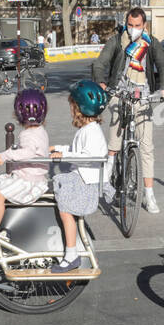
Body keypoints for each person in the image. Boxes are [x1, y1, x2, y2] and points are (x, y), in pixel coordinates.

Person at [92, 7, 164, 214]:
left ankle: (149, 194)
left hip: (143, 95)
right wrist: (101, 82)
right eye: (130, 25)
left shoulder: (151, 42)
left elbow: (162, 66)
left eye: (137, 26)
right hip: (119, 92)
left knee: (147, 147)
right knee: (116, 130)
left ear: (144, 25)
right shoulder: (117, 41)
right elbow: (100, 63)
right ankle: (108, 172)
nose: (133, 29)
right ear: (126, 23)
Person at [0, 89, 51, 244]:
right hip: (33, 178)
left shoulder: (28, 134)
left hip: (29, 181)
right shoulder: (40, 130)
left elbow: (28, 151)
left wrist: (5, 156)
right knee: (1, 184)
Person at [49, 80, 109, 273]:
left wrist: (63, 155)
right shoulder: (89, 130)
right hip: (83, 178)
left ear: (78, 108)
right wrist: (58, 148)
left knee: (65, 210)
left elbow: (88, 156)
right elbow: (78, 150)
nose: (71, 110)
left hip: (86, 183)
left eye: (72, 106)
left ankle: (71, 254)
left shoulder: (91, 132)